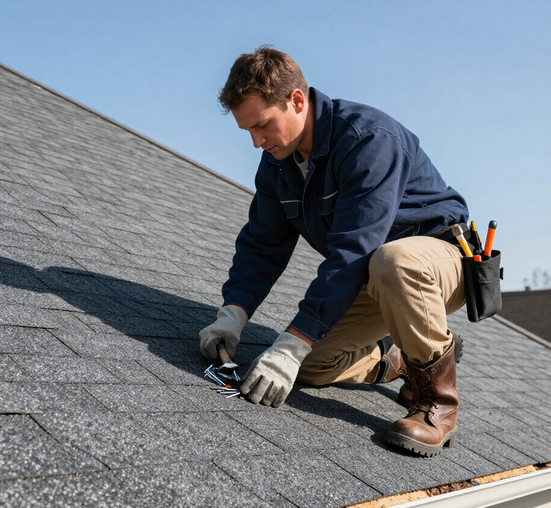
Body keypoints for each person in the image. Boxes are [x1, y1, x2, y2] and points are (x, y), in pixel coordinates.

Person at [199, 46, 469, 457]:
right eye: (247, 131)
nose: (256, 142)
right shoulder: (278, 163)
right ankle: (395, 360)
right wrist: (233, 311)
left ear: (296, 100)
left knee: (393, 261)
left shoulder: (369, 141)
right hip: (373, 274)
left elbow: (355, 249)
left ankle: (437, 403)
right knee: (306, 367)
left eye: (263, 126)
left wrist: (296, 336)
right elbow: (262, 243)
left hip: (438, 262)